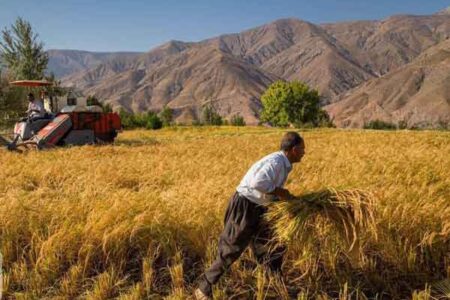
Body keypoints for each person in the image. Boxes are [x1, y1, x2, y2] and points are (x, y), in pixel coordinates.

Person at [195, 132, 306, 300]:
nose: (304, 153)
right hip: (245, 206)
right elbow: (257, 183)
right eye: (302, 149)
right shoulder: (276, 162)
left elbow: (265, 188)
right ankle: (203, 289)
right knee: (231, 249)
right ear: (294, 149)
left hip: (259, 207)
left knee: (272, 246)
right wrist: (281, 192)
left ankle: (278, 286)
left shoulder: (282, 163)